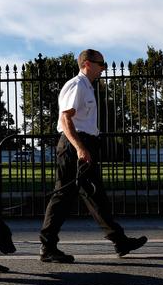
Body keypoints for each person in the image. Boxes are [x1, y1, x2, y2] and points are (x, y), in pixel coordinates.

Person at [39, 49, 147, 263]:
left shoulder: (87, 87)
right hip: (74, 146)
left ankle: (120, 241)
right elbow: (66, 119)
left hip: (83, 145)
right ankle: (47, 246)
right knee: (62, 196)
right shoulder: (77, 85)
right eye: (101, 64)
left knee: (95, 196)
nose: (103, 68)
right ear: (87, 64)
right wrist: (80, 148)